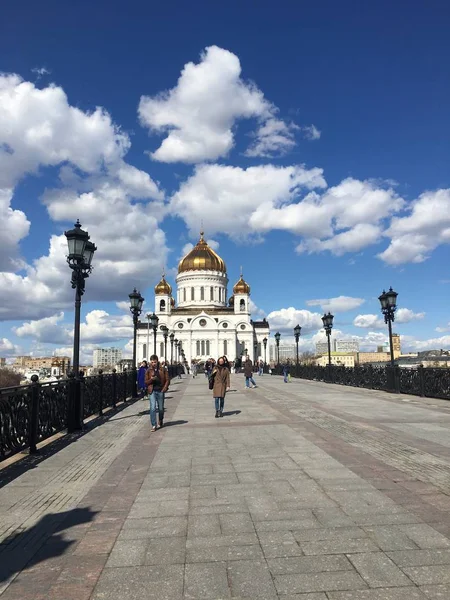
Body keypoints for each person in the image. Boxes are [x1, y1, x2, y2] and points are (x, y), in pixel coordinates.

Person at [145, 354, 170, 431]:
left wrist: (164, 389)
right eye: (152, 362)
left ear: (157, 361)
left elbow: (167, 379)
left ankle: (160, 420)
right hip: (152, 391)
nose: (153, 364)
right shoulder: (148, 370)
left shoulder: (163, 369)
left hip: (160, 391)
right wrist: (151, 379)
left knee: (161, 408)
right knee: (152, 408)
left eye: (154, 362)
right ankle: (154, 425)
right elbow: (146, 382)